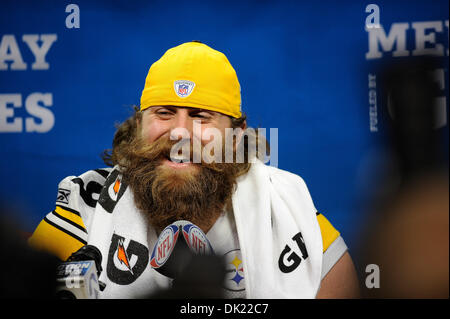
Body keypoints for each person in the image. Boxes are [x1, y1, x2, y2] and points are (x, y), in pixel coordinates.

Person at [28, 41, 359, 298]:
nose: (180, 132)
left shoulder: (292, 216)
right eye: (164, 112)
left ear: (236, 135)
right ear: (139, 124)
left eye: (202, 115)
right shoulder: (86, 208)